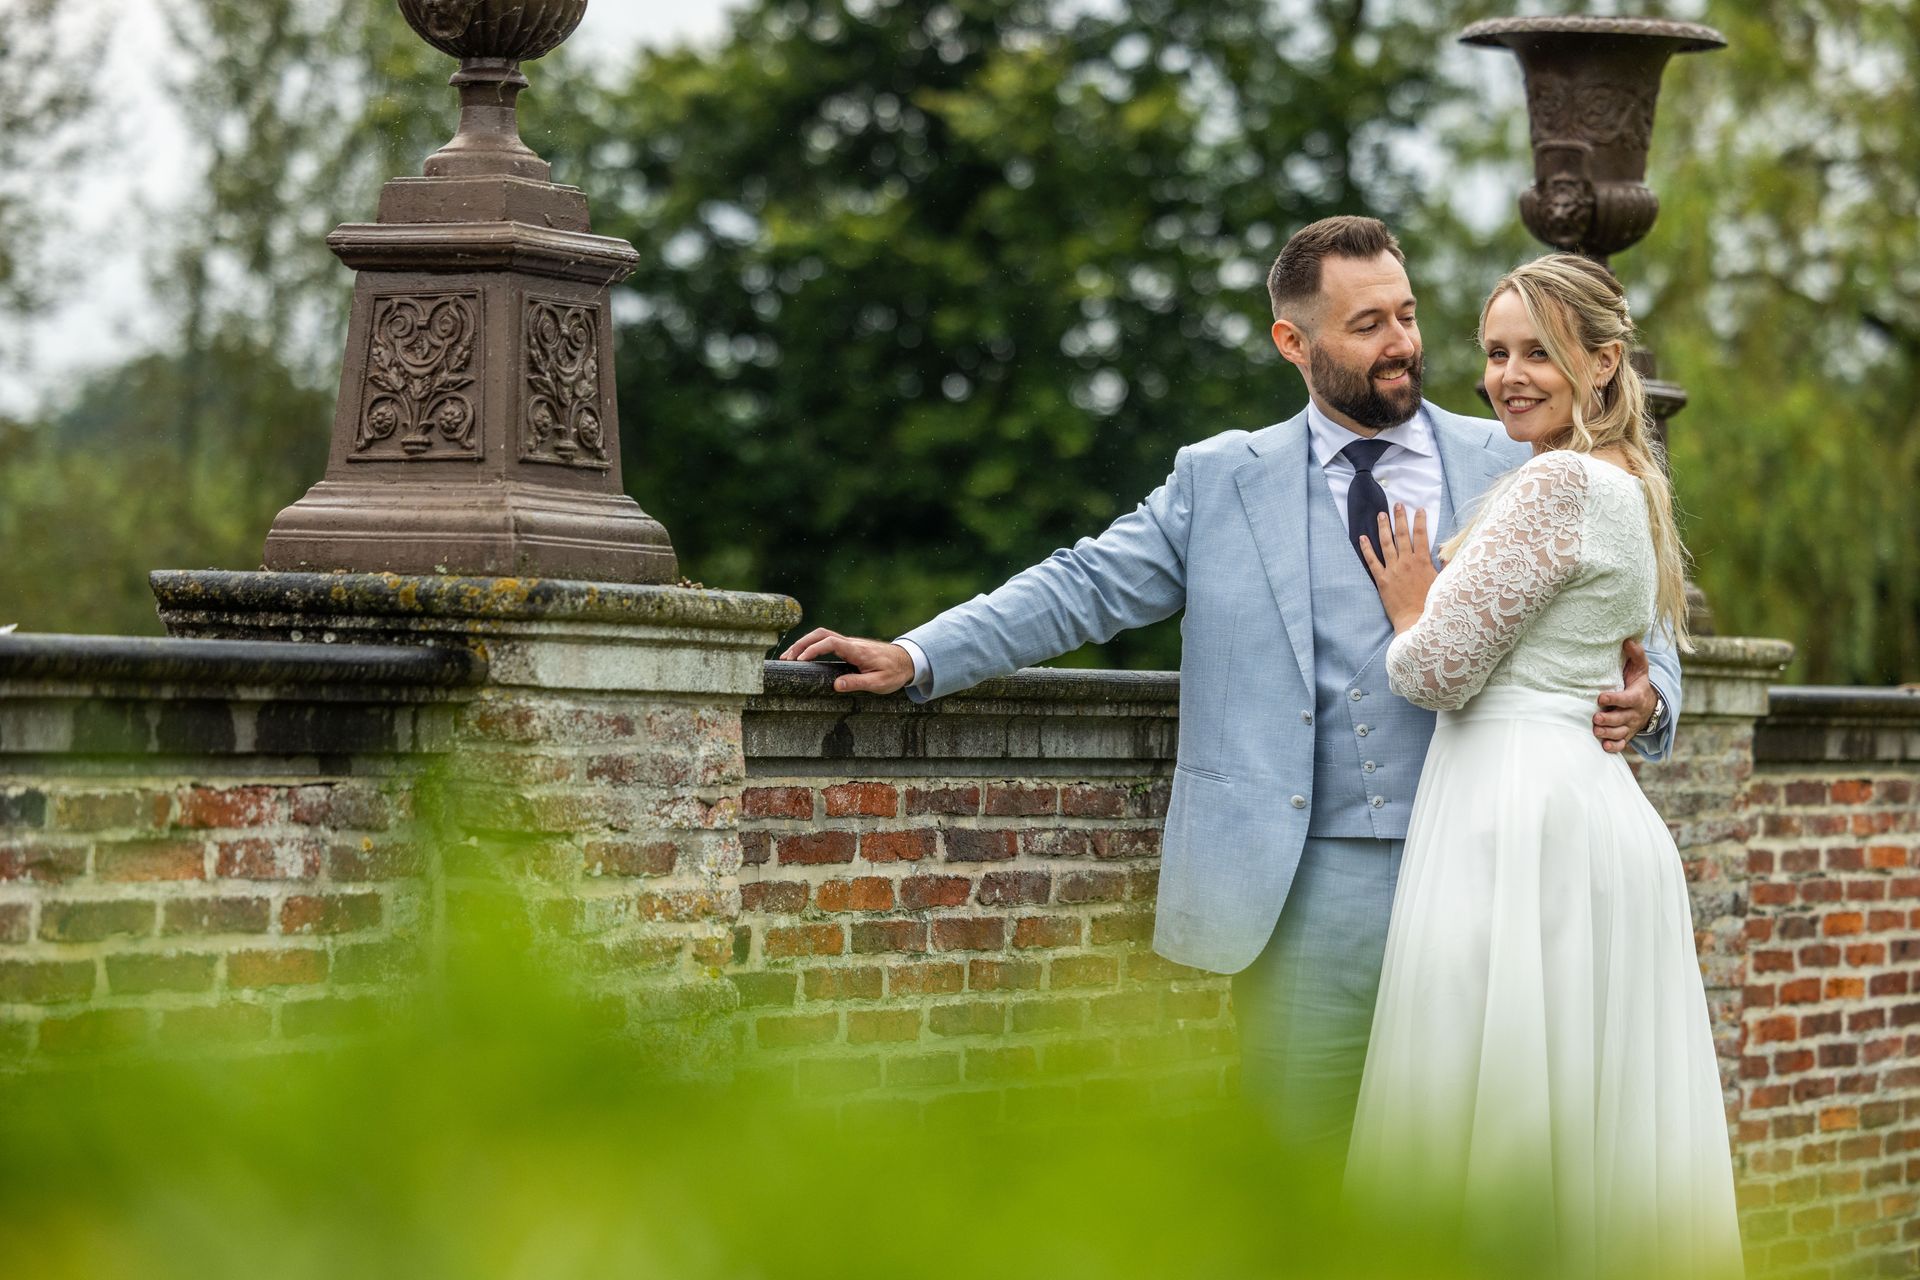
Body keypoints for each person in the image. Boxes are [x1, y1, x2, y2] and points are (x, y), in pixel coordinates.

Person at [779, 217, 1682, 1160]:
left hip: (1492, 862)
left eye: (1407, 316)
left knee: (1488, 1162)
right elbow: (1081, 585)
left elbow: (1635, 598)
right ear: (1295, 342)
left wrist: (1653, 695)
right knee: (1301, 1171)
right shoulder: (1219, 481)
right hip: (1301, 889)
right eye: (1368, 324)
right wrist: (920, 656)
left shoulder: (1521, 455)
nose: (1404, 345)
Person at [1344, 253, 1741, 1276]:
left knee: (1505, 1120)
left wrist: (1409, 608)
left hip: (1516, 817)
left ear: (1605, 364)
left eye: (1540, 353)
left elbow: (1434, 670)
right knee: (1592, 1135)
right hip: (1585, 810)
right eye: (1494, 352)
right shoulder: (1629, 483)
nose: (1508, 374)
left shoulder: (1556, 481)